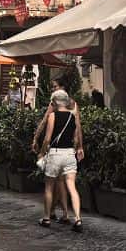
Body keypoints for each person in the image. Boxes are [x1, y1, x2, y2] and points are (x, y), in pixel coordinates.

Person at [37, 89, 84, 231]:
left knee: (49, 187)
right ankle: (78, 219)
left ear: (55, 102)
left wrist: (41, 152)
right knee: (72, 186)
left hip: (55, 154)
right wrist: (79, 148)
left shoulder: (52, 116)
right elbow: (76, 137)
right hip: (70, 154)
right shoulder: (72, 116)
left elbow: (47, 138)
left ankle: (46, 218)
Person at [33, 79, 71, 223]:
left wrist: (36, 138)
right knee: (61, 183)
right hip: (68, 150)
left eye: (54, 87)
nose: (52, 89)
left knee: (50, 184)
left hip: (55, 149)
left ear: (62, 88)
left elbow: (45, 121)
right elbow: (77, 127)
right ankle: (64, 213)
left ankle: (48, 215)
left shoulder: (54, 104)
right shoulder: (72, 104)